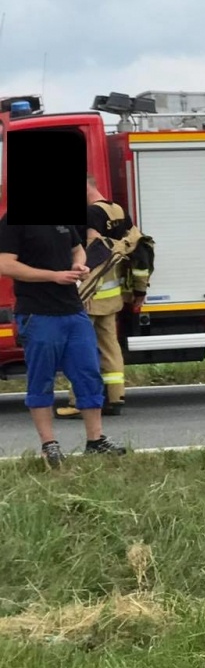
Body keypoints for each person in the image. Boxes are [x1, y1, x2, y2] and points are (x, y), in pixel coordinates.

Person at [0, 217, 125, 467]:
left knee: (88, 375)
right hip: (38, 313)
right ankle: (49, 445)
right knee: (41, 378)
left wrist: (80, 265)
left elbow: (77, 249)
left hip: (73, 311)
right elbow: (6, 265)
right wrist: (53, 276)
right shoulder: (12, 223)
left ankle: (96, 441)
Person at [57, 178, 141, 418]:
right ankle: (115, 397)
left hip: (91, 293)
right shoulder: (117, 210)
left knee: (80, 348)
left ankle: (79, 402)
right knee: (110, 346)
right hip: (111, 293)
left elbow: (92, 254)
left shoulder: (91, 213)